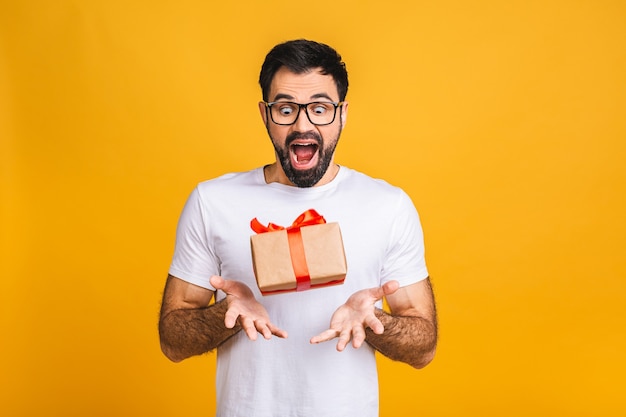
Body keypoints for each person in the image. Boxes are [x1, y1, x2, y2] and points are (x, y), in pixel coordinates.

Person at [158, 39, 438, 417]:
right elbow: (173, 341)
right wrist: (227, 313)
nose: (303, 125)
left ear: (342, 114)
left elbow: (424, 347)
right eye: (286, 109)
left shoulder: (387, 206)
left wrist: (373, 323)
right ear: (265, 114)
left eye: (320, 109)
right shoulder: (213, 202)